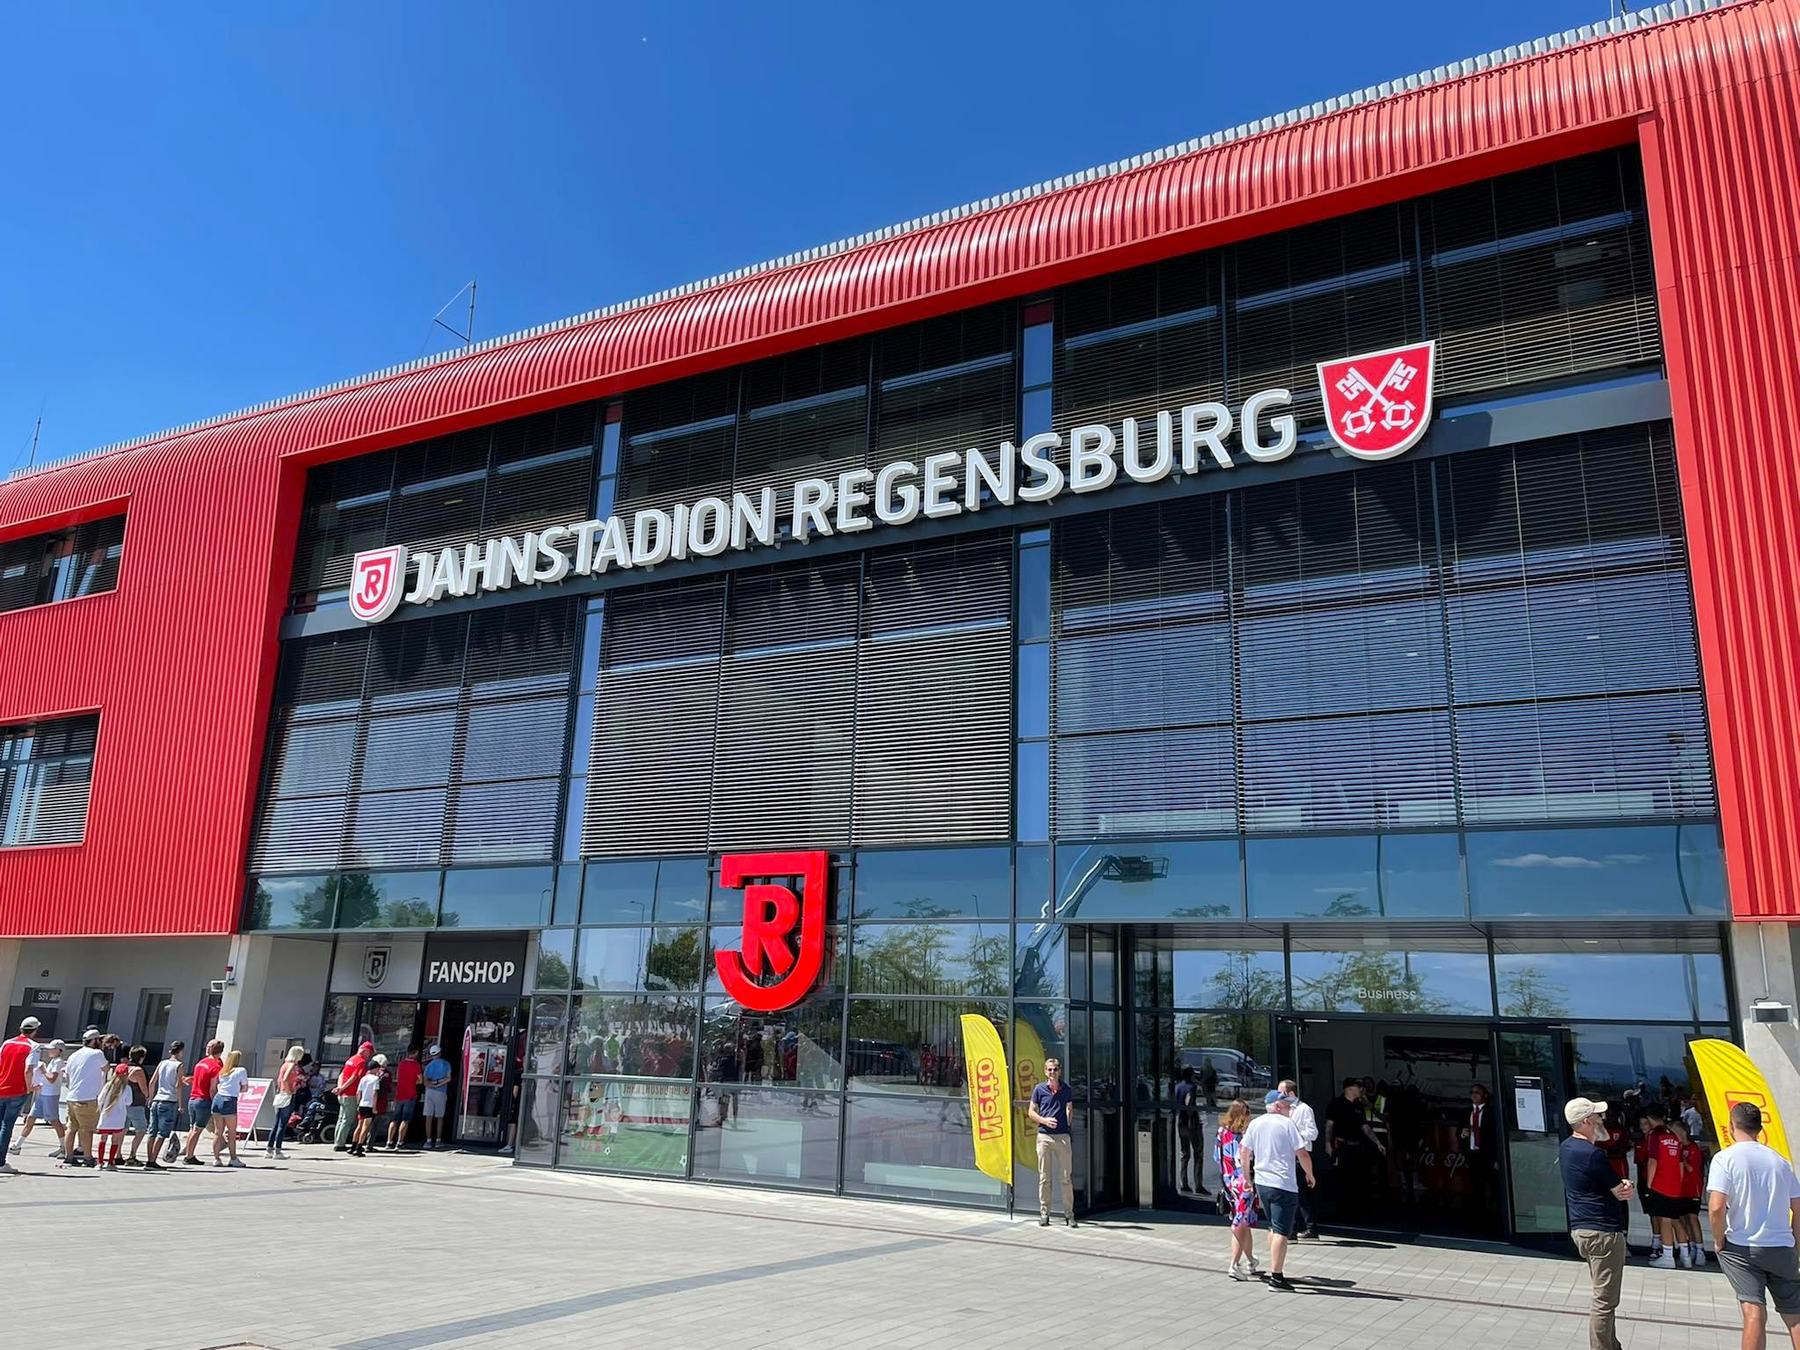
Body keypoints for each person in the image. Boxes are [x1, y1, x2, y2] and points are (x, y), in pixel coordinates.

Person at [1709, 1101, 1800, 1349]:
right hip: (1781, 1246)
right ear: (1760, 1128)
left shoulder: (1725, 1159)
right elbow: (1798, 1209)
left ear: (1731, 1126)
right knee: (1795, 1315)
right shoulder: (1780, 1162)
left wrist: (1719, 1240)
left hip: (1743, 1247)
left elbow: (1717, 1207)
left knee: (1753, 1311)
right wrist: (1795, 1245)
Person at [1561, 1096, 1635, 1350]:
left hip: (1581, 1228)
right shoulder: (1594, 1154)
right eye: (1598, 1116)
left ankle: (1612, 1345)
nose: (1602, 1120)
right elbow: (1620, 1191)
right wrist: (1627, 1185)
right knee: (1604, 1301)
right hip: (1603, 1232)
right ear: (1586, 1121)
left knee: (1603, 1296)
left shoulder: (1567, 1147)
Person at [1239, 1089, 1316, 1292]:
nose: (1290, 1109)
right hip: (1283, 1183)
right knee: (1282, 1230)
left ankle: (1275, 1268)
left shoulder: (1255, 1123)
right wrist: (1310, 1174)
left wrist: (1247, 1178)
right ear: (1278, 1106)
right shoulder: (1287, 1124)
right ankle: (1277, 1276)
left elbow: (1244, 1151)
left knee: (1273, 1226)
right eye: (1287, 1105)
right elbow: (1302, 1153)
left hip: (1262, 1183)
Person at [1027, 1056, 1076, 1228]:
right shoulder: (1039, 1089)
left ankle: (1069, 1215)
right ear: (1045, 1071)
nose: (1052, 1072)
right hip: (1044, 1137)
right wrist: (1044, 1120)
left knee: (1065, 1178)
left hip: (1062, 1137)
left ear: (1059, 1071)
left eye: (1055, 1069)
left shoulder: (1066, 1089)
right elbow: (1031, 1112)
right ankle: (1044, 1214)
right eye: (1049, 1069)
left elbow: (1069, 1109)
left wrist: (1067, 1123)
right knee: (1044, 1178)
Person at [1326, 1077, 1385, 1219]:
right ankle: (1343, 1212)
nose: (1361, 1090)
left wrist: (1377, 1142)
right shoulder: (1336, 1104)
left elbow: (1365, 1127)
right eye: (1359, 1087)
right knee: (1343, 1180)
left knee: (1360, 1180)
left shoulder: (1359, 1106)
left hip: (1358, 1147)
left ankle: (1359, 1212)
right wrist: (1327, 1143)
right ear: (1350, 1088)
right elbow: (1329, 1125)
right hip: (1342, 1146)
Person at [1215, 1099, 1260, 1280]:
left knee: (1243, 1220)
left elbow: (1217, 1157)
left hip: (1228, 1181)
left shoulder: (1221, 1132)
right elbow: (1249, 1158)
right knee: (1240, 1223)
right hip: (1244, 1182)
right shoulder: (1246, 1134)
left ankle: (1250, 1259)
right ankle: (1234, 1264)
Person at [1644, 1102, 1686, 1267]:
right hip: (1675, 1183)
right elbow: (1680, 1164)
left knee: (1665, 1220)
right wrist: (1678, 1181)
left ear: (1649, 1119)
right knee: (1675, 1219)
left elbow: (1653, 1160)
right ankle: (1685, 1255)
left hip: (1660, 1183)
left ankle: (1668, 1256)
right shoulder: (1674, 1136)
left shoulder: (1655, 1135)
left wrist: (1649, 1183)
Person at [62, 1029, 109, 1169]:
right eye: (99, 1040)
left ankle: (68, 1156)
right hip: (87, 1097)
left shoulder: (74, 1055)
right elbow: (106, 1068)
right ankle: (88, 1158)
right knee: (87, 1129)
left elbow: (68, 1074)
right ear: (94, 1041)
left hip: (71, 1097)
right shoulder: (97, 1054)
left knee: (71, 1128)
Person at [0, 1016, 43, 1171]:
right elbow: (28, 1070)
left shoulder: (7, 1043)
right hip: (17, 1090)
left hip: (1, 1087)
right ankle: (0, 1162)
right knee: (7, 1126)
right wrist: (29, 1087)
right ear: (35, 1030)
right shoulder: (34, 1046)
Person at [1278, 1078, 1319, 1238]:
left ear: (1291, 1093)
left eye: (1281, 1092)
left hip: (1300, 1155)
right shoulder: (1283, 1109)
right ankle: (1301, 1227)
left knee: (1299, 1193)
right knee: (1295, 1192)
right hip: (1289, 1155)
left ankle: (1305, 1227)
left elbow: (1313, 1133)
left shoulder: (1304, 1109)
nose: (1278, 1096)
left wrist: (1294, 1136)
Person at [19, 1039, 67, 1159]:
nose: (49, 1051)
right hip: (43, 1093)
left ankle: (63, 1148)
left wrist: (43, 1070)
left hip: (51, 1094)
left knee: (54, 1121)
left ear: (59, 1050)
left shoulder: (59, 1062)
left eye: (52, 1049)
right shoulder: (53, 1061)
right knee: (31, 1118)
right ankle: (17, 1145)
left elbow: (52, 1078)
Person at [182, 1039, 224, 1167]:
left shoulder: (200, 1063)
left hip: (193, 1098)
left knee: (192, 1128)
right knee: (197, 1129)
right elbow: (212, 1088)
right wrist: (215, 1102)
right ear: (221, 1051)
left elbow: (198, 1080)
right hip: (204, 1100)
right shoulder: (216, 1067)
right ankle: (189, 1156)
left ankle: (188, 1154)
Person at [145, 1041, 186, 1172]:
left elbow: (152, 1082)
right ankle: (152, 1160)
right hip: (169, 1100)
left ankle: (148, 1158)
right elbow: (178, 1086)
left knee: (152, 1131)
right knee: (162, 1133)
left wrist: (150, 1098)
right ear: (180, 1051)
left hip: (157, 1099)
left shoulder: (162, 1063)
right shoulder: (179, 1065)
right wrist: (180, 1104)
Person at [1675, 1117, 1710, 1267]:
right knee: (1683, 1219)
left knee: (1693, 1218)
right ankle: (1690, 1246)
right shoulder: (1679, 1148)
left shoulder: (1693, 1148)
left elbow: (1691, 1169)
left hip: (1692, 1189)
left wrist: (1682, 1157)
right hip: (1680, 1189)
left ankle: (1700, 1249)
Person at [1463, 1084, 1500, 1214]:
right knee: (1475, 1184)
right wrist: (1462, 1134)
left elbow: (1496, 1136)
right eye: (1472, 1092)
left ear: (1484, 1095)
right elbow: (1459, 1131)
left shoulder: (1491, 1112)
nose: (1474, 1095)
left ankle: (1494, 1210)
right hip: (1472, 1153)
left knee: (1492, 1183)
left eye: (1477, 1092)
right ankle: (1478, 1210)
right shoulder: (1467, 1111)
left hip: (1487, 1154)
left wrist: (1496, 1157)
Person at [333, 1041, 374, 1152]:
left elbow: (342, 1074)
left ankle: (337, 1141)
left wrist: (339, 1087)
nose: (369, 1055)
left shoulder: (350, 1060)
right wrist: (342, 1088)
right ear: (366, 1051)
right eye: (369, 1053)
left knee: (341, 1119)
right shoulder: (361, 1062)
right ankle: (340, 1144)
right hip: (350, 1094)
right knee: (347, 1119)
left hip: (342, 1094)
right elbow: (354, 1077)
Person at [210, 1049, 247, 1168]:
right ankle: (233, 1158)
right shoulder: (241, 1070)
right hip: (230, 1100)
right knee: (231, 1133)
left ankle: (216, 1158)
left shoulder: (223, 1071)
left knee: (218, 1132)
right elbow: (245, 1087)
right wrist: (238, 1089)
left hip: (218, 1099)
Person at [267, 1045, 305, 1159]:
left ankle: (269, 1149)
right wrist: (290, 1090)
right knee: (282, 1124)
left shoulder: (284, 1064)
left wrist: (282, 1088)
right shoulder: (292, 1065)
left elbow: (280, 1079)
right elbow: (285, 1078)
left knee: (277, 1122)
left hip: (281, 1094)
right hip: (287, 1095)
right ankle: (278, 1151)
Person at [385, 1045, 422, 1152]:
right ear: (415, 1053)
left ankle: (389, 1141)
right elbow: (420, 1080)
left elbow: (397, 1077)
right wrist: (413, 1082)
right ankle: (400, 1142)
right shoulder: (416, 1065)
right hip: (410, 1094)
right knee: (405, 1120)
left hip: (399, 1094)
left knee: (395, 1119)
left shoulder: (401, 1064)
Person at [350, 1054, 387, 1157]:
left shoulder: (363, 1079)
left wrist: (358, 1103)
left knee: (359, 1125)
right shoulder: (375, 1080)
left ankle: (353, 1145)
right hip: (370, 1105)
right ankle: (359, 1147)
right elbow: (375, 1093)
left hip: (362, 1104)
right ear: (375, 1069)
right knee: (365, 1128)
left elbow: (358, 1092)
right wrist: (375, 1107)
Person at [94, 1065, 130, 1170]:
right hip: (119, 1118)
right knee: (115, 1140)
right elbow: (129, 1102)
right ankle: (110, 1162)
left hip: (106, 1116)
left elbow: (99, 1099)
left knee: (103, 1139)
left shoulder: (108, 1086)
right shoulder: (127, 1088)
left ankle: (100, 1162)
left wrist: (101, 1110)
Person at [121, 1045, 152, 1166]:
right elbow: (143, 1088)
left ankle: (117, 1154)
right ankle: (132, 1155)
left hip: (123, 1104)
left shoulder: (124, 1068)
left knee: (122, 1130)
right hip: (136, 1103)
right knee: (141, 1130)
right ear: (141, 1057)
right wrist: (148, 1097)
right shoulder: (138, 1071)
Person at [1174, 1066, 1202, 1194]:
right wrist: (1192, 1117)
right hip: (1191, 1123)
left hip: (1181, 1122)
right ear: (1191, 1075)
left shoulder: (1178, 1087)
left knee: (1184, 1154)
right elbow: (1189, 1101)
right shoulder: (1192, 1087)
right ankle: (1198, 1184)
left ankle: (1183, 1182)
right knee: (1198, 1154)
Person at [422, 1043, 453, 1149]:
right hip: (441, 1092)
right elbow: (448, 1079)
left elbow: (425, 1082)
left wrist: (433, 1084)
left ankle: (428, 1140)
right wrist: (439, 1083)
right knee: (440, 1117)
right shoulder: (446, 1064)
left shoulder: (428, 1066)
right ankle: (438, 1140)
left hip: (429, 1092)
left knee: (428, 1117)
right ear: (440, 1053)